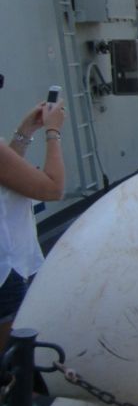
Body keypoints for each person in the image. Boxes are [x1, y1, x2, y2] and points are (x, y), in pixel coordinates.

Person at [0, 77, 65, 353]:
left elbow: (7, 176)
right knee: (11, 368)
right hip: (4, 276)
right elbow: (52, 189)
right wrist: (53, 133)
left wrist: (25, 131)